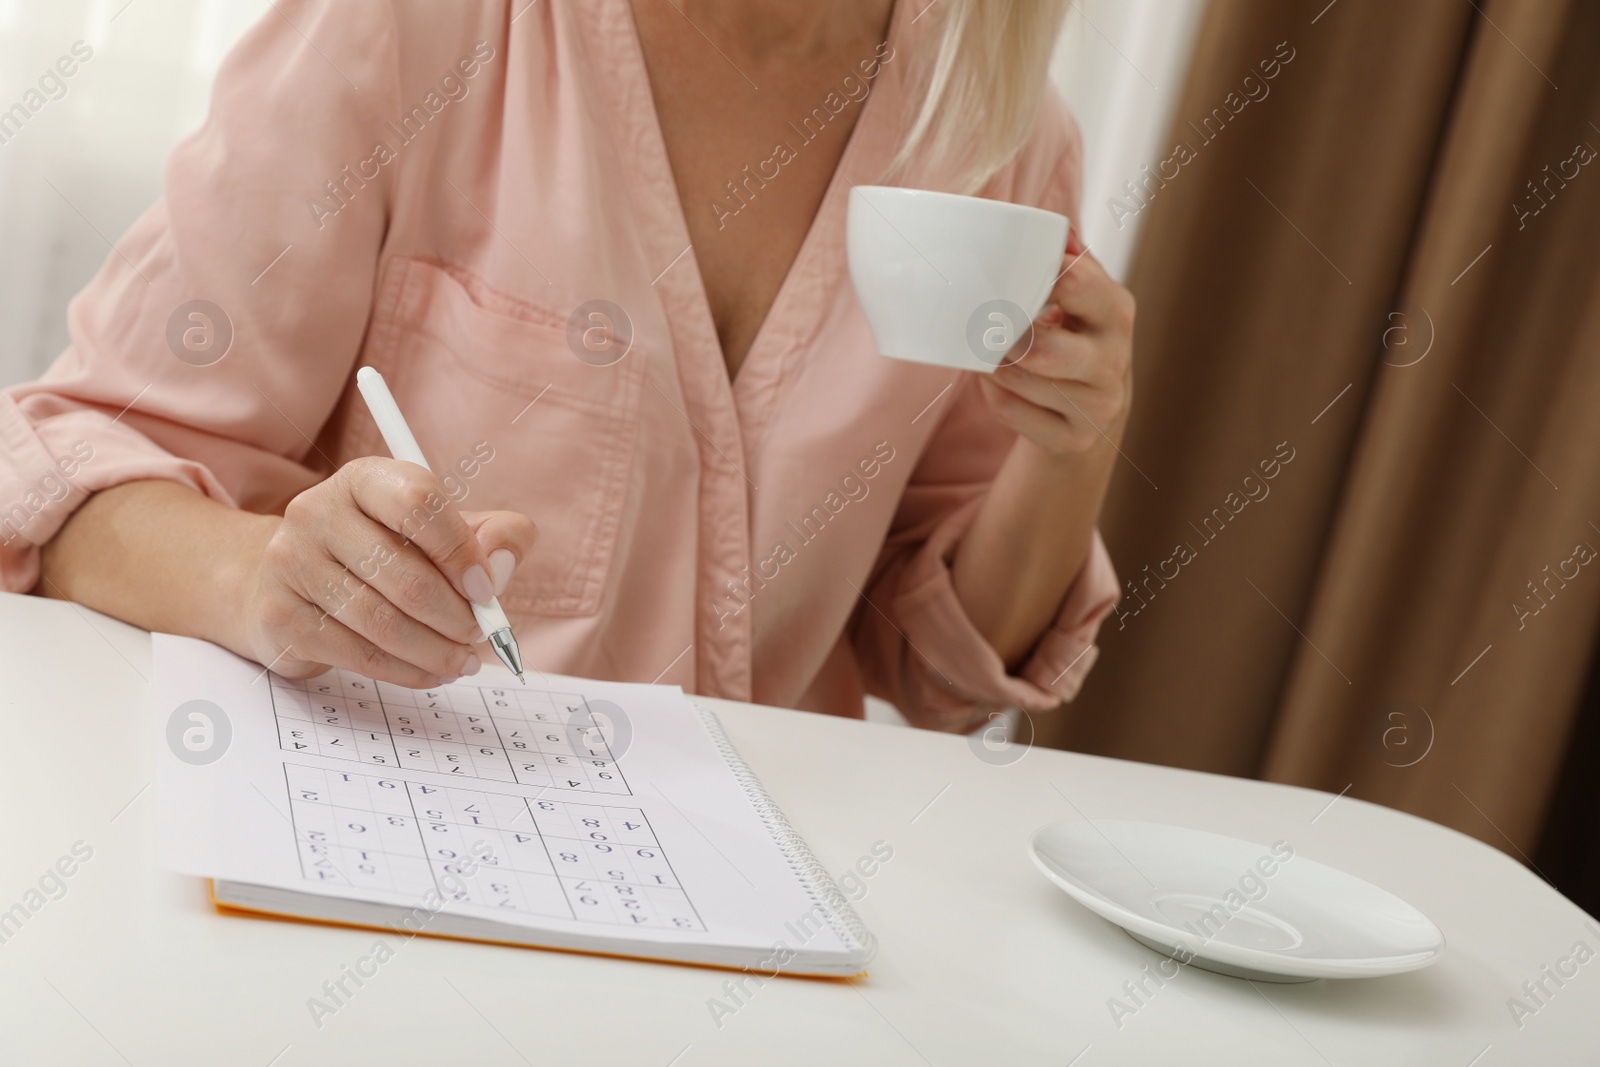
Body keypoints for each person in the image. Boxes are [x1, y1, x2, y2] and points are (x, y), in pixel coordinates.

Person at [0, 0, 1131, 731]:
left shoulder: (1005, 133)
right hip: (382, 838)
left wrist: (1069, 447)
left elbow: (936, 674)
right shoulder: (411, 29)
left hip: (739, 895)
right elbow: (65, 485)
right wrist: (270, 580)